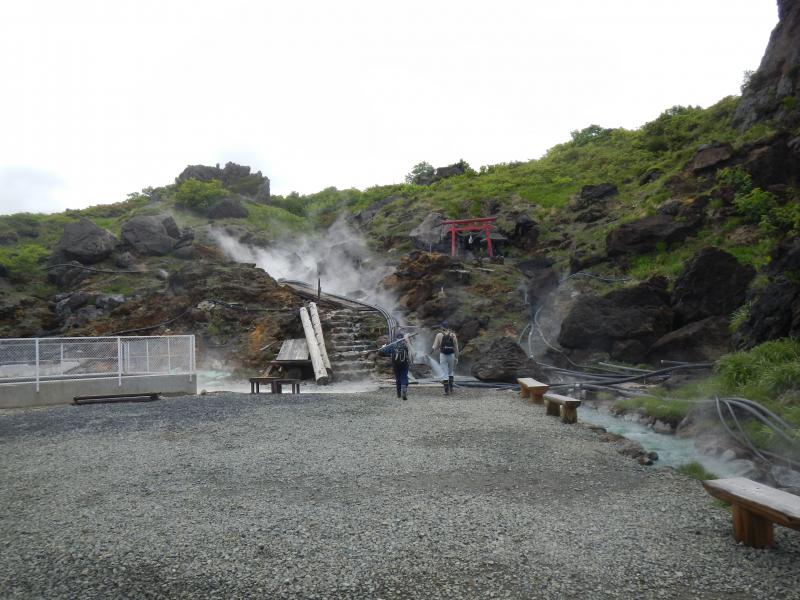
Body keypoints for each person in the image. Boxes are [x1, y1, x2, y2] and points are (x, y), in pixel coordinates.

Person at [379, 332, 413, 400]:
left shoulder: (393, 345)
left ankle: (398, 393)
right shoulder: (405, 344)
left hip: (395, 364)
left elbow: (383, 352)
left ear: (396, 337)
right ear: (402, 337)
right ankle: (404, 387)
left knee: (398, 378)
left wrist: (382, 347)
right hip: (404, 363)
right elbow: (411, 352)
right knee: (404, 376)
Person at [432, 322, 459, 395]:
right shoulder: (453, 335)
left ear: (442, 327)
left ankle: (446, 391)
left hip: (443, 355)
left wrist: (433, 350)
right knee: (451, 372)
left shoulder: (439, 335)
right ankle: (451, 389)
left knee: (445, 373)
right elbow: (456, 348)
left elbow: (435, 347)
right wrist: (456, 357)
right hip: (452, 355)